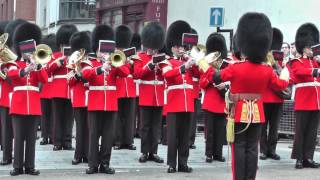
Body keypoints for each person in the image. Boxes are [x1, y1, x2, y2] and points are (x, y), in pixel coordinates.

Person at [199, 12, 289, 180]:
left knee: (238, 147)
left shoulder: (236, 68)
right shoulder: (267, 70)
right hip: (257, 113)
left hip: (238, 112)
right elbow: (282, 85)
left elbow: (216, 77)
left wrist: (203, 63)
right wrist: (285, 72)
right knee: (253, 149)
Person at [83, 24, 129, 174]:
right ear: (96, 50)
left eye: (105, 50)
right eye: (101, 50)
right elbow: (86, 75)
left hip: (110, 105)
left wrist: (113, 61)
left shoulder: (114, 63)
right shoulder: (90, 63)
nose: (103, 53)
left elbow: (125, 72)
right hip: (95, 104)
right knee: (94, 135)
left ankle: (105, 164)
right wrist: (101, 68)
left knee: (108, 137)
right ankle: (92, 164)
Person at [8, 22, 48, 176]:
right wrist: (25, 69)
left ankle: (30, 166)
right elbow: (13, 76)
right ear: (20, 49)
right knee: (18, 138)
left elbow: (44, 79)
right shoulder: (15, 64)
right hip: (18, 105)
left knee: (31, 138)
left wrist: (36, 65)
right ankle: (17, 166)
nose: (28, 52)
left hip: (33, 105)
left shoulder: (37, 65)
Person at [159, 20, 196, 173]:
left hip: (188, 102)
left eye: (183, 46)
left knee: (185, 136)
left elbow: (200, 74)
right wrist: (183, 67)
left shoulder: (188, 61)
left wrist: (195, 62)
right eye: (178, 46)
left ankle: (183, 163)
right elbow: (167, 75)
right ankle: (171, 164)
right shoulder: (167, 61)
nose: (181, 49)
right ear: (172, 47)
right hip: (174, 102)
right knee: (173, 136)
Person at [134, 21, 165, 163]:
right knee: (145, 126)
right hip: (146, 94)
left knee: (156, 126)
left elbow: (167, 75)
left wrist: (161, 68)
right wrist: (151, 65)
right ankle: (144, 152)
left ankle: (154, 152)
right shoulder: (140, 57)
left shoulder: (163, 57)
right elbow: (138, 73)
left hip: (158, 94)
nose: (152, 49)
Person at [291, 23, 320, 169]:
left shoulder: (316, 62)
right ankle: (299, 158)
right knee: (300, 132)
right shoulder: (297, 62)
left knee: (312, 133)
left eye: (313, 47)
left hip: (315, 103)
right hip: (303, 102)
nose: (312, 50)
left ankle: (308, 157)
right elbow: (299, 73)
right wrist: (314, 71)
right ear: (303, 48)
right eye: (310, 47)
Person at [48, 24, 78, 151]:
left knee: (69, 118)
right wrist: (59, 62)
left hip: (71, 90)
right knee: (58, 117)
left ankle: (67, 142)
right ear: (60, 44)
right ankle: (57, 142)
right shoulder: (55, 56)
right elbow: (48, 70)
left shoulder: (76, 56)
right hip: (58, 90)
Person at [200, 32, 228, 163]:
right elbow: (202, 84)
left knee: (220, 130)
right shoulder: (206, 67)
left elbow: (231, 81)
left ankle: (218, 153)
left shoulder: (226, 65)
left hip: (222, 102)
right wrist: (211, 77)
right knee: (210, 131)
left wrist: (225, 84)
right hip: (210, 102)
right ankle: (209, 154)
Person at [260, 27, 285, 161]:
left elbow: (286, 76)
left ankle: (272, 150)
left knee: (274, 128)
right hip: (264, 97)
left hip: (278, 98)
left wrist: (277, 68)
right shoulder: (262, 60)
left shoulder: (280, 60)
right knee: (263, 127)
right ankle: (263, 150)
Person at [69, 31, 91, 165]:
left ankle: (88, 154)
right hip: (78, 98)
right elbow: (69, 81)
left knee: (89, 128)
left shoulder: (91, 62)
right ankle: (78, 154)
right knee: (79, 128)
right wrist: (77, 75)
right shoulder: (73, 61)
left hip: (90, 98)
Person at [114, 25, 136, 150]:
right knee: (118, 117)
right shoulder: (114, 54)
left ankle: (128, 140)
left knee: (129, 116)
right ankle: (117, 140)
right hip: (118, 87)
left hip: (130, 89)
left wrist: (132, 63)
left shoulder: (131, 54)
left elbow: (136, 73)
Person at [39, 34, 57, 145]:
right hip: (45, 88)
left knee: (52, 115)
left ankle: (52, 136)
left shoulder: (55, 58)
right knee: (45, 115)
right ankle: (44, 136)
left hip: (52, 88)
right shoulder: (42, 58)